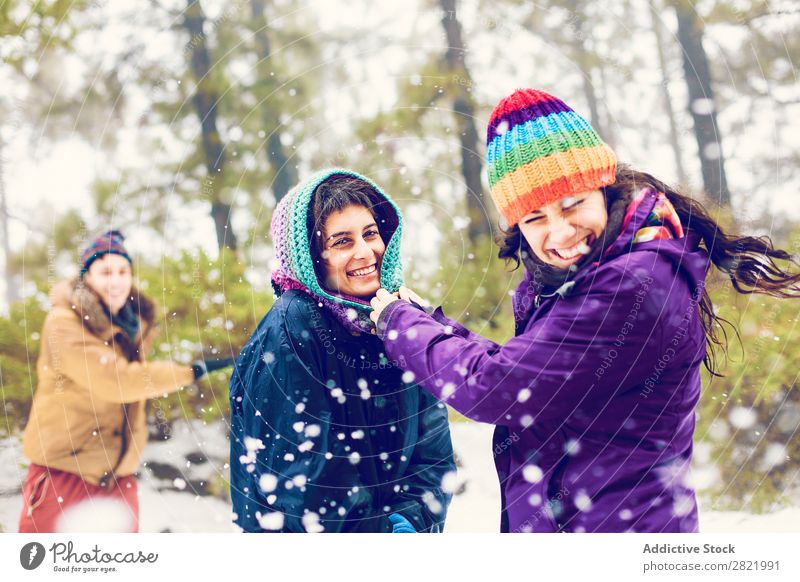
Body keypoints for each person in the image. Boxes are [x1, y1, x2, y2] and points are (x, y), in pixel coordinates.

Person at [370, 88, 800, 533]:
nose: (560, 231)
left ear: (605, 189)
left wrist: (399, 325)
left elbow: (495, 387)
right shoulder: (600, 272)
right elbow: (527, 365)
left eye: (571, 204)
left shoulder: (628, 286)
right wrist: (433, 323)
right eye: (534, 217)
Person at [229, 169, 455, 533]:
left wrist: (413, 519)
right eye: (342, 241)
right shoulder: (291, 329)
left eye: (370, 234)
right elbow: (303, 481)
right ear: (312, 258)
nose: (366, 252)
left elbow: (433, 451)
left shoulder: (401, 320)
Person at [19, 230, 233, 532]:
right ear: (86, 277)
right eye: (105, 271)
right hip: (63, 477)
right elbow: (118, 380)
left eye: (123, 271)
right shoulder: (63, 323)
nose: (116, 280)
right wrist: (192, 371)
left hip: (118, 479)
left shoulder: (127, 325)